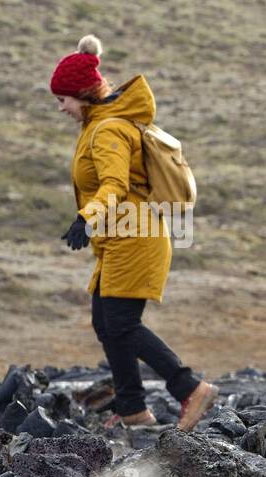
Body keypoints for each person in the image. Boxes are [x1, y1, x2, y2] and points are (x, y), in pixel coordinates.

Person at [51, 34, 218, 431]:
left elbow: (113, 185)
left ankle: (190, 389)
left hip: (136, 239)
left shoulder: (108, 130)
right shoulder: (98, 126)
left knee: (122, 324)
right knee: (106, 323)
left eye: (63, 100)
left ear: (81, 95)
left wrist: (85, 217)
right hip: (118, 239)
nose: (60, 109)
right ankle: (132, 409)